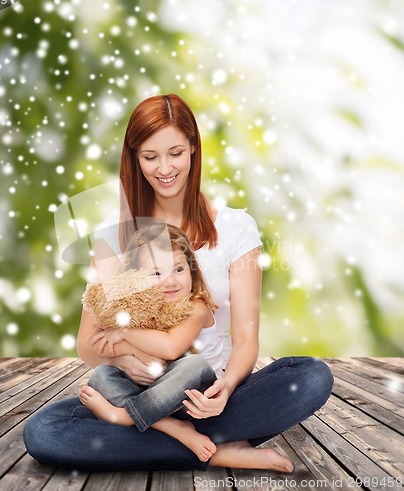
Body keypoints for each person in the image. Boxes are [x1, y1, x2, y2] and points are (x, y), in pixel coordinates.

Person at [23, 94, 333, 472]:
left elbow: (247, 339)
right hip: (139, 390)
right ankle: (213, 448)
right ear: (134, 159)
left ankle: (162, 435)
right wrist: (124, 360)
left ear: (193, 150)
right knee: (45, 431)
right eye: (150, 157)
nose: (164, 168)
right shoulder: (112, 233)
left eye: (175, 153)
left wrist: (227, 389)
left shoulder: (237, 228)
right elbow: (88, 345)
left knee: (311, 376)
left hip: (209, 392)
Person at [80, 223, 223, 462]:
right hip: (155, 399)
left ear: (192, 271)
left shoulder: (196, 307)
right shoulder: (141, 309)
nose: (170, 281)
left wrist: (124, 333)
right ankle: (169, 427)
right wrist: (125, 351)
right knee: (100, 376)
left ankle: (125, 417)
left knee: (194, 364)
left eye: (178, 269)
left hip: (195, 399)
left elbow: (170, 349)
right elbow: (97, 344)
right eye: (156, 273)